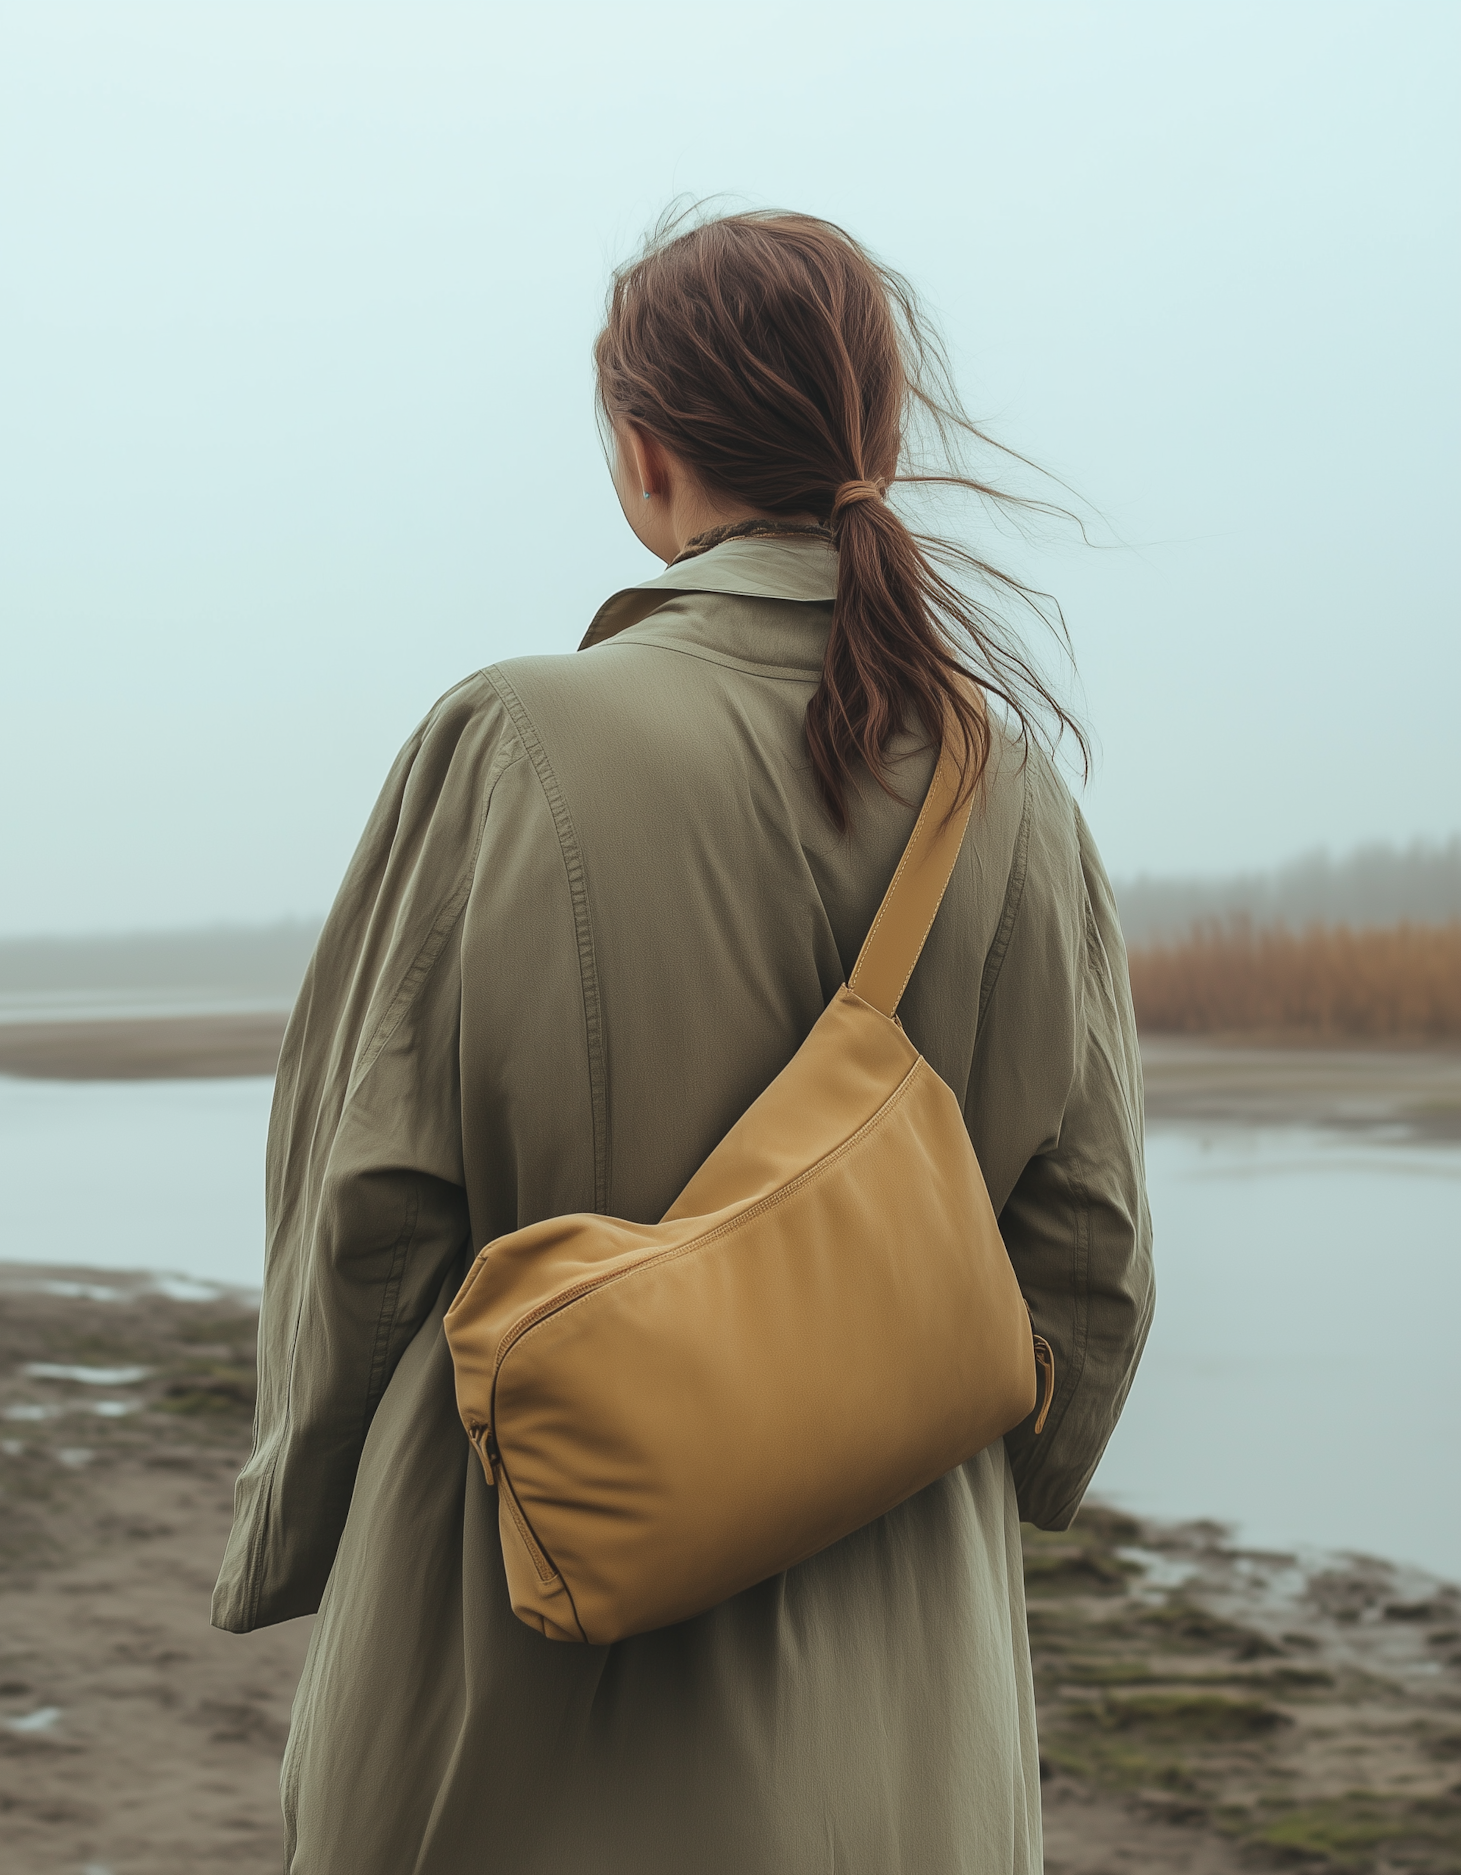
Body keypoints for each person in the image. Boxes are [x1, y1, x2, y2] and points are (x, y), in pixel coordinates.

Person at [213, 207, 1153, 1874]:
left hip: (511, 1665)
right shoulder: (1012, 790)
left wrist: (290, 1527)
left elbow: (357, 1215)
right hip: (912, 1720)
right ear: (873, 438)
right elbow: (1089, 1265)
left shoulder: (515, 738)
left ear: (646, 456)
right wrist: (937, 1462)